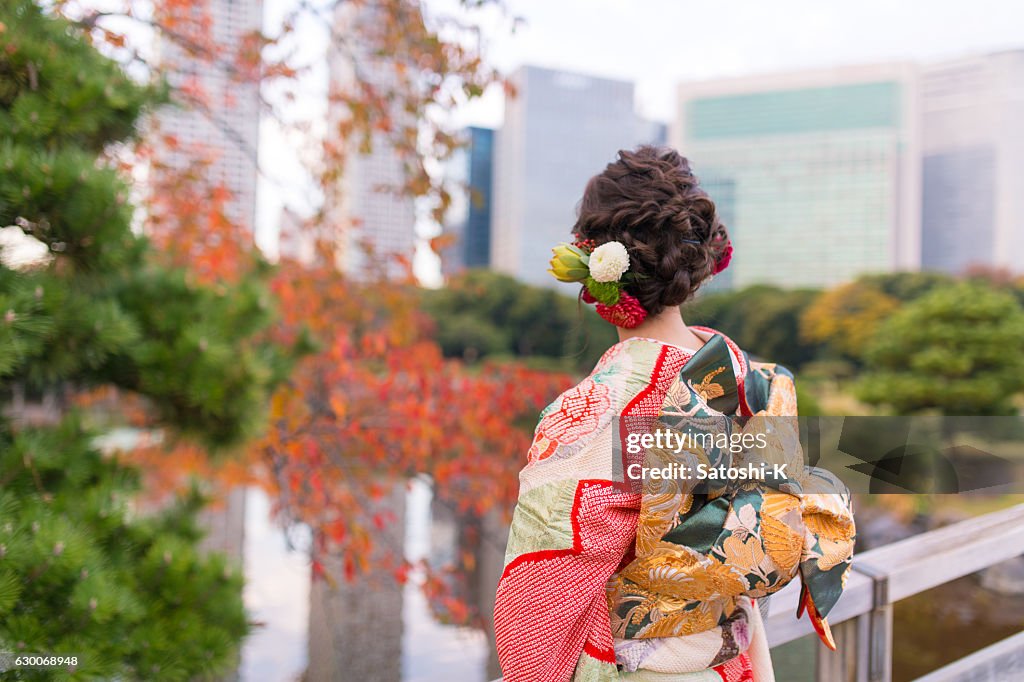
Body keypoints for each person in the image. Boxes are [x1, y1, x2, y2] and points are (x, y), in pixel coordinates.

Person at [492, 146, 855, 682]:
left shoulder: (598, 409)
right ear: (696, 265)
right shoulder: (746, 377)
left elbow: (542, 594)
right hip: (732, 660)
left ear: (593, 269)